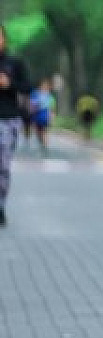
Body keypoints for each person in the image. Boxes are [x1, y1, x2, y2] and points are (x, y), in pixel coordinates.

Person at [0, 23, 33, 226]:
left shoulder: (14, 63)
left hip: (7, 118)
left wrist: (9, 84)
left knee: (2, 165)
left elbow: (28, 87)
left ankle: (0, 205)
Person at [28, 78, 55, 156]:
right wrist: (32, 110)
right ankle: (41, 143)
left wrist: (51, 117)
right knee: (38, 131)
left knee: (44, 131)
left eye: (46, 86)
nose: (45, 87)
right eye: (43, 85)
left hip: (45, 114)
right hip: (37, 114)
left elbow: (52, 108)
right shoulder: (35, 94)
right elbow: (31, 104)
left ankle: (45, 146)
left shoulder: (50, 96)